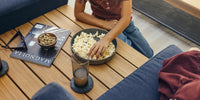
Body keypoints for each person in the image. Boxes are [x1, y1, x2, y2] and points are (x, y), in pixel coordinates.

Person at [74, 0, 154, 58]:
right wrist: (105, 24)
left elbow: (125, 18)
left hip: (126, 23)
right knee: (132, 57)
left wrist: (106, 39)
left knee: (149, 54)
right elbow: (78, 13)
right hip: (104, 25)